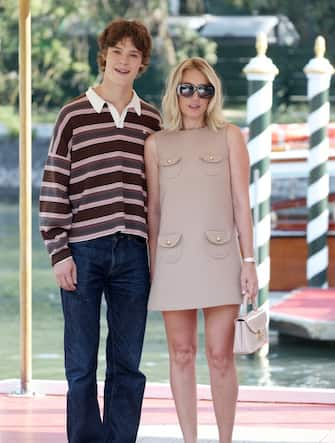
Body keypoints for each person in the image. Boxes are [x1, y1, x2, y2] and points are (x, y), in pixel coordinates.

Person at [39, 18, 161, 443]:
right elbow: (55, 183)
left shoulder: (152, 121)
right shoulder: (72, 115)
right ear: (104, 54)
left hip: (134, 254)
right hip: (83, 249)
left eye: (134, 55)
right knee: (81, 363)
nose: (124, 61)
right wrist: (59, 252)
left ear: (142, 63)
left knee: (128, 361)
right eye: (117, 52)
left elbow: (158, 193)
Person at [144, 57, 258, 443]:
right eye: (188, 88)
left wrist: (249, 262)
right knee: (181, 353)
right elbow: (154, 210)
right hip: (173, 262)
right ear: (175, 91)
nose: (196, 97)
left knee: (220, 356)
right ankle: (189, 439)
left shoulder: (229, 136)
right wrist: (154, 268)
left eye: (204, 89)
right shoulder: (155, 144)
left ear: (214, 94)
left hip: (221, 258)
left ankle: (225, 440)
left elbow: (242, 204)